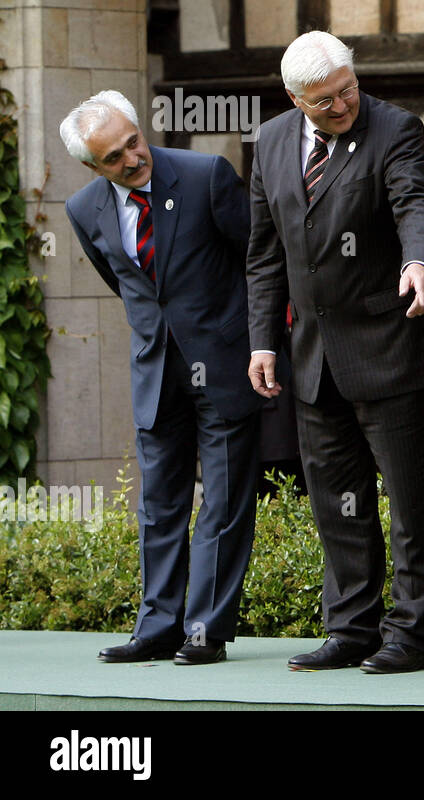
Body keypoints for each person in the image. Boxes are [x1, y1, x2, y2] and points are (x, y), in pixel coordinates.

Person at [246, 31, 424, 675]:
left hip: (389, 348)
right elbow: (263, 254)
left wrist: (420, 261)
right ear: (293, 98)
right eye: (322, 101)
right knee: (337, 502)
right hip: (311, 359)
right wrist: (262, 343)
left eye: (347, 90)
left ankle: (412, 633)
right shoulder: (272, 141)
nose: (340, 107)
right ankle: (351, 628)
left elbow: (417, 200)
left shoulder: (395, 128)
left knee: (412, 500)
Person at [62, 90, 260, 665]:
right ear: (92, 167)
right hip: (155, 375)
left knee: (223, 504)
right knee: (159, 505)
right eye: (114, 157)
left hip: (224, 366)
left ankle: (206, 630)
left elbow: (257, 261)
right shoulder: (82, 209)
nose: (132, 158)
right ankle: (157, 626)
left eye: (133, 141)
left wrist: (254, 342)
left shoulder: (205, 175)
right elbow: (126, 283)